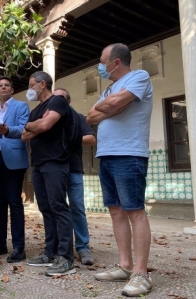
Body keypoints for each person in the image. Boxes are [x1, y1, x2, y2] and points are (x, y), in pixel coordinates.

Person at [86, 43, 153, 297]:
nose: (100, 66)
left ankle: (141, 274)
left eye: (102, 61)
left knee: (135, 211)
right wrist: (113, 106)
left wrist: (112, 105)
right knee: (116, 211)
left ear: (116, 62)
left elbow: (112, 103)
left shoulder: (139, 76)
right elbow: (91, 116)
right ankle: (125, 266)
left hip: (130, 153)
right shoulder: (110, 88)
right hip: (106, 154)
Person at [21, 71, 75, 277]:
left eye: (31, 85)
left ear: (42, 84)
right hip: (38, 163)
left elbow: (44, 125)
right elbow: (25, 136)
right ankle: (49, 253)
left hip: (56, 162)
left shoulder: (58, 101)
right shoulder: (38, 110)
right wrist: (33, 126)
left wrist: (34, 126)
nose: (29, 89)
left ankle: (65, 258)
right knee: (45, 208)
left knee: (58, 207)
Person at [0, 76, 30, 263]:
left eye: (6, 86)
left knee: (14, 203)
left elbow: (23, 129)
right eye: (0, 86)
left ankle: (19, 248)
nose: (3, 88)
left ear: (11, 90)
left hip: (13, 159)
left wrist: (6, 130)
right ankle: (0, 244)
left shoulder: (21, 106)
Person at [53, 88, 96, 265]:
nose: (57, 102)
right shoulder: (49, 119)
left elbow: (90, 139)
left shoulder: (78, 118)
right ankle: (60, 247)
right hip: (54, 171)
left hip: (74, 169)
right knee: (56, 208)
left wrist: (70, 138)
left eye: (61, 99)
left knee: (77, 207)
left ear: (68, 102)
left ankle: (83, 247)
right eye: (54, 99)